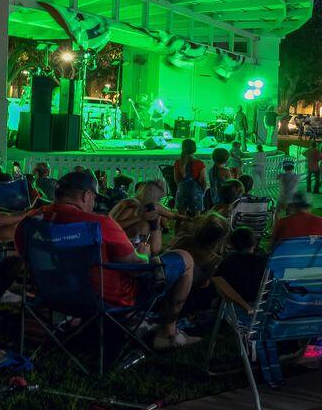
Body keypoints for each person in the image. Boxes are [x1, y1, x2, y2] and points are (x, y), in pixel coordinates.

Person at [19, 170, 197, 349]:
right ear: (86, 195)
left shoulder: (30, 222)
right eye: (94, 198)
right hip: (107, 300)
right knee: (185, 258)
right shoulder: (98, 224)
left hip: (52, 296)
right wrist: (144, 254)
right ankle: (168, 334)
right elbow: (137, 267)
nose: (94, 203)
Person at [208, 227, 270, 312]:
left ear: (232, 245)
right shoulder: (263, 262)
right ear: (253, 243)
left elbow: (217, 282)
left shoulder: (229, 261)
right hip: (258, 306)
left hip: (230, 306)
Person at [172, 139, 207, 214]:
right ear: (194, 149)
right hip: (195, 193)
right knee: (196, 217)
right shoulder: (199, 163)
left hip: (181, 191)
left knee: (180, 216)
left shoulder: (178, 162)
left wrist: (181, 188)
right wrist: (202, 192)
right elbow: (203, 181)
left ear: (182, 148)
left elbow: (176, 179)